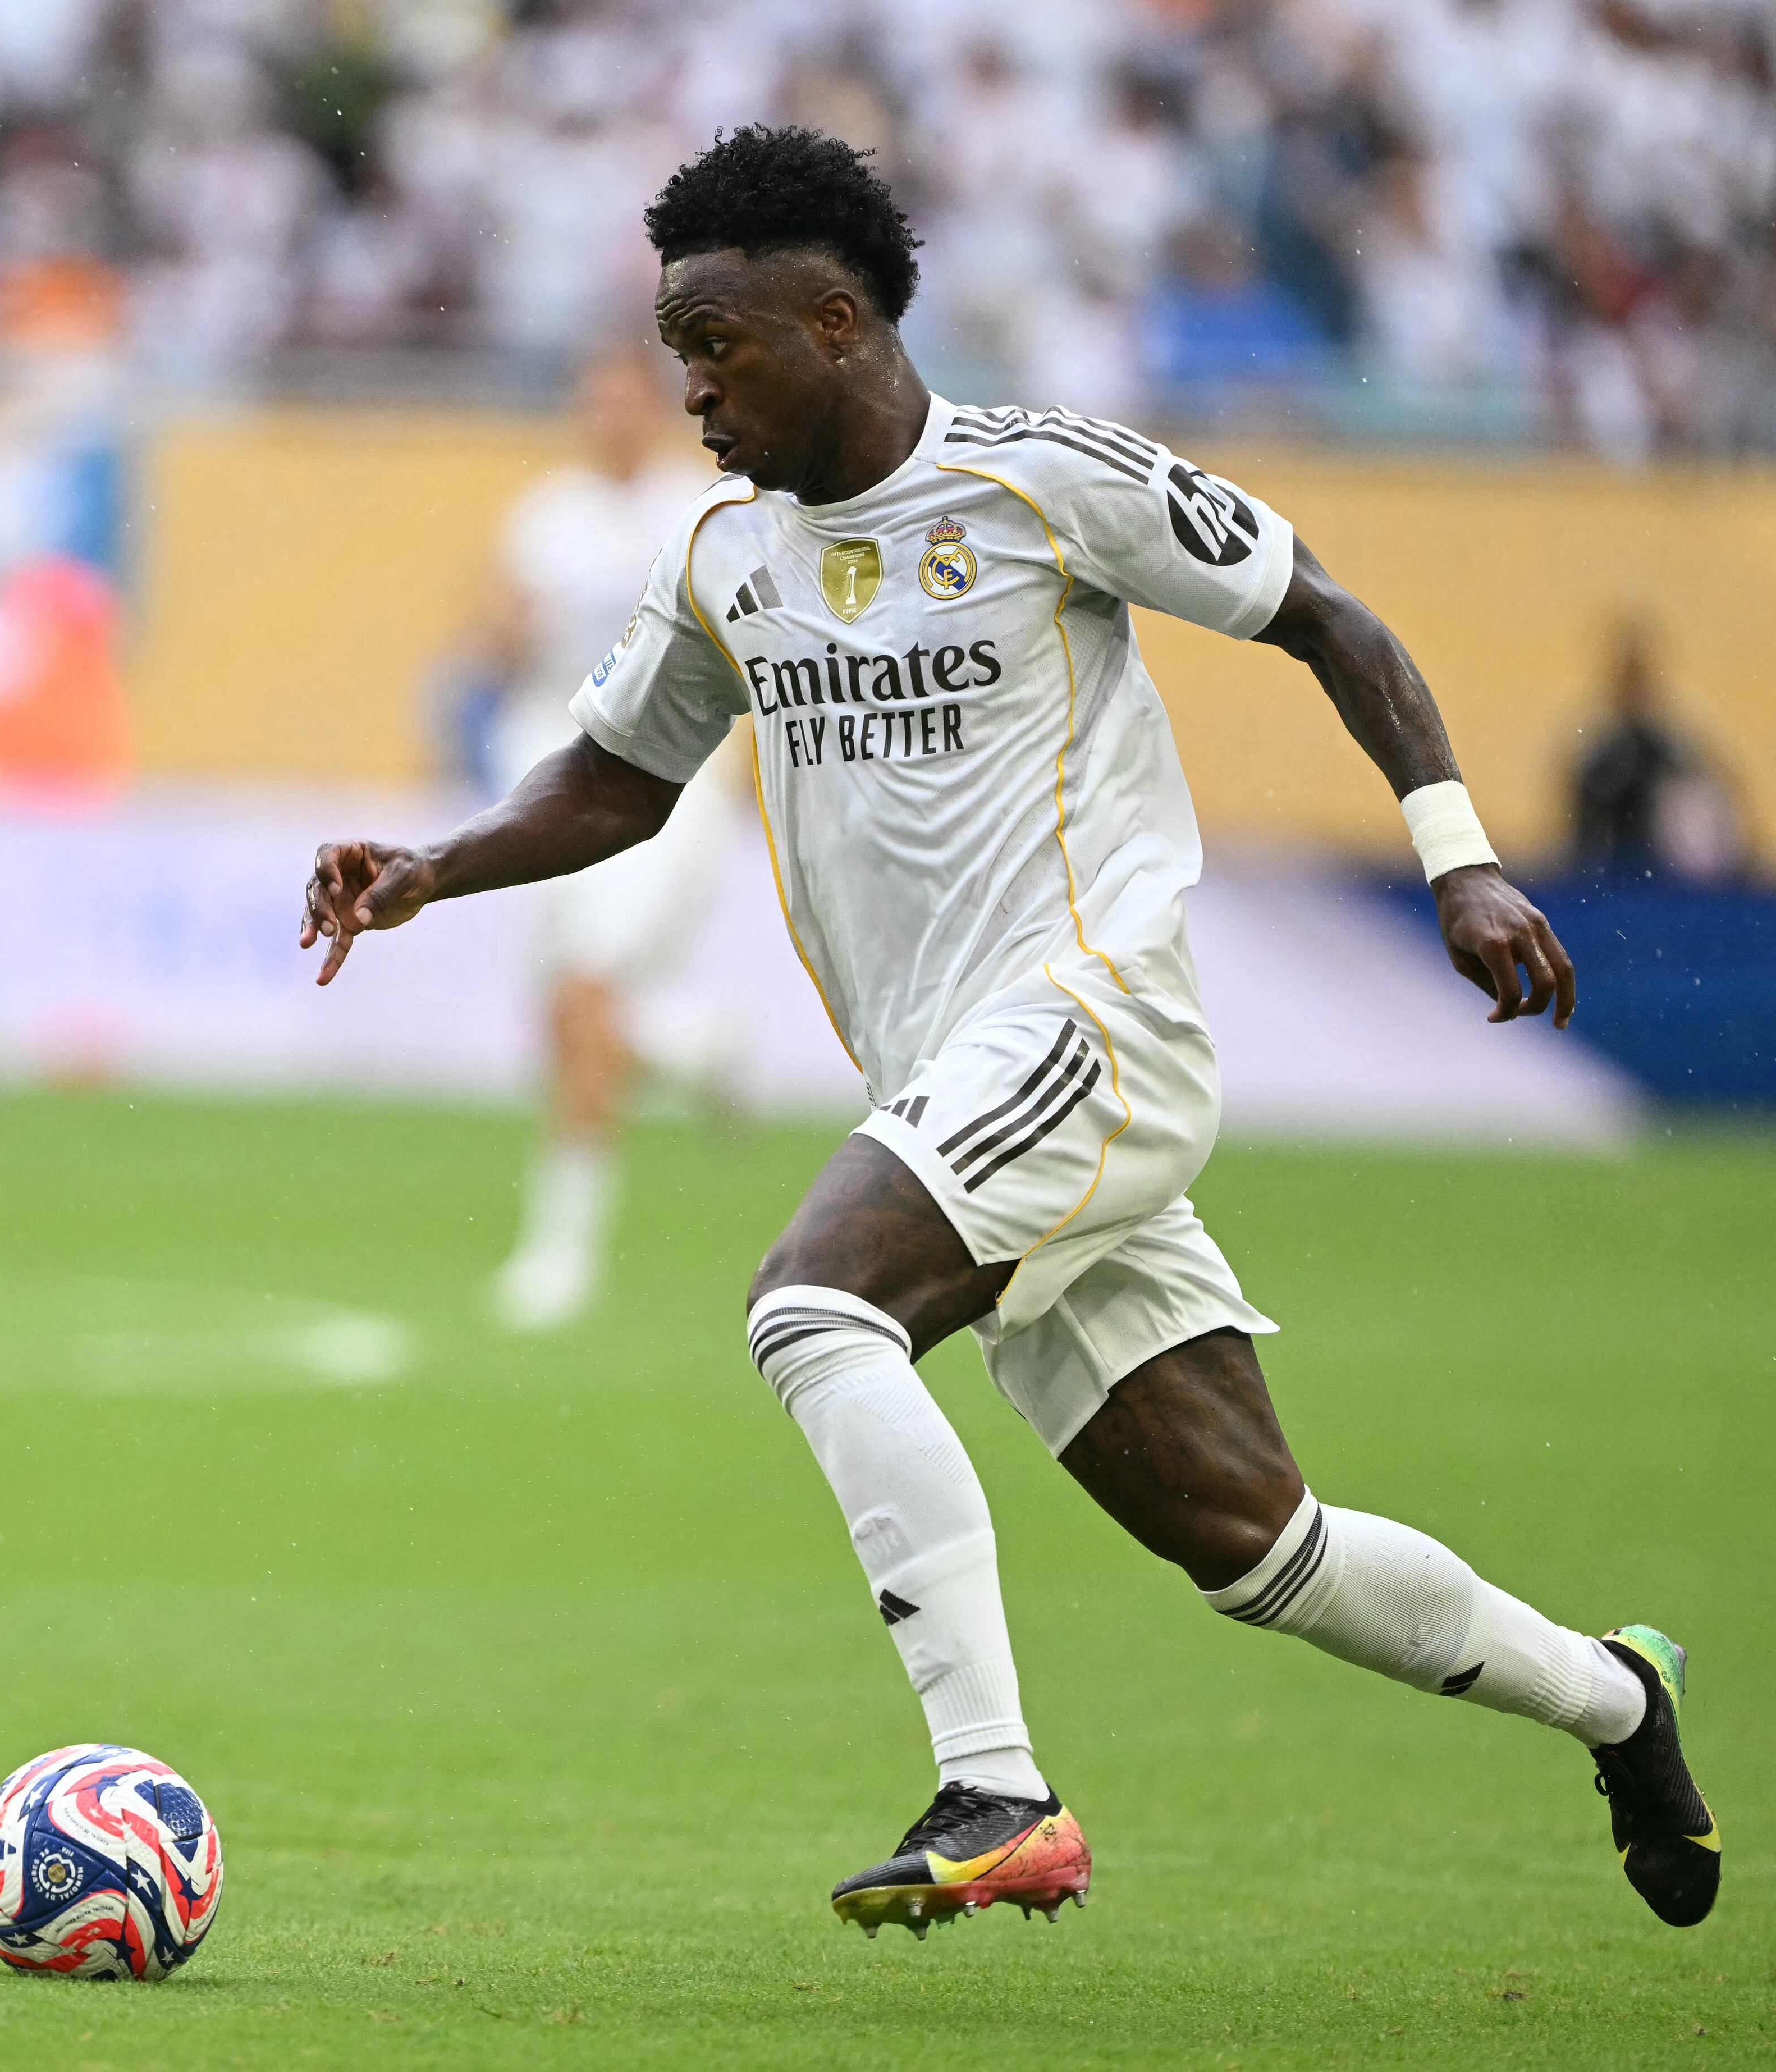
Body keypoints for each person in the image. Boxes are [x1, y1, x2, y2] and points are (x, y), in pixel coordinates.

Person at [301, 127, 1715, 1937]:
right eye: (677, 351)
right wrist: (430, 866)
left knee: (811, 1309)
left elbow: (1328, 618)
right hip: (958, 1088)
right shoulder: (728, 560)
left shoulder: (1044, 481)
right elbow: (617, 779)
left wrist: (1460, 862)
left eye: (716, 345)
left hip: (1088, 1022)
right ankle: (1614, 1695)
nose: (692, 389)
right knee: (1258, 1548)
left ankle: (996, 1789)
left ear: (833, 323)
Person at [464, 342, 731, 1332]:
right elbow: (497, 631)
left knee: (583, 992)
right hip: (546, 764)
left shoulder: (697, 510)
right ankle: (693, 1047)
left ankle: (561, 1254)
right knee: (562, 1011)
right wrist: (497, 636)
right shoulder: (550, 515)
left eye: (623, 400)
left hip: (658, 778)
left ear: (654, 409)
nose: (605, 417)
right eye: (593, 400)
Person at [1570, 617, 1750, 880]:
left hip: (1668, 876)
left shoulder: (1677, 742)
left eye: (1638, 676)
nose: (1632, 686)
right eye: (1626, 676)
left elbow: (1712, 800)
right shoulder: (1596, 745)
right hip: (1609, 873)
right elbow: (1581, 820)